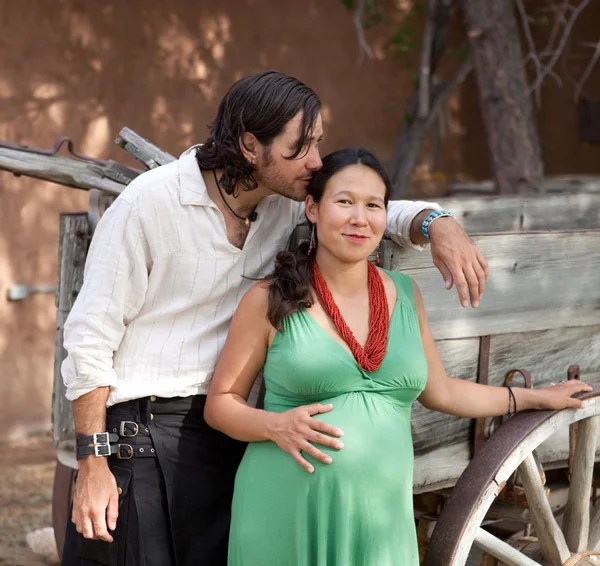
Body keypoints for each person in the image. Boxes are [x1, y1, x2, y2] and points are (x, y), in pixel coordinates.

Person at [61, 71, 487, 566]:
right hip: (143, 434)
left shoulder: (284, 204)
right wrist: (93, 461)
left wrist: (436, 222)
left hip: (227, 434)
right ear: (248, 145)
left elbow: (364, 206)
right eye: (299, 147)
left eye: (318, 144)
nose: (315, 162)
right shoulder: (149, 205)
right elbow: (90, 337)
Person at [204, 147, 591, 566]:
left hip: (381, 517)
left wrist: (535, 399)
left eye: (373, 205)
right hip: (291, 508)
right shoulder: (269, 298)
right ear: (312, 209)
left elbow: (441, 391)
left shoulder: (404, 293)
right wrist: (274, 425)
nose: (359, 218)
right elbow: (220, 403)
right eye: (344, 202)